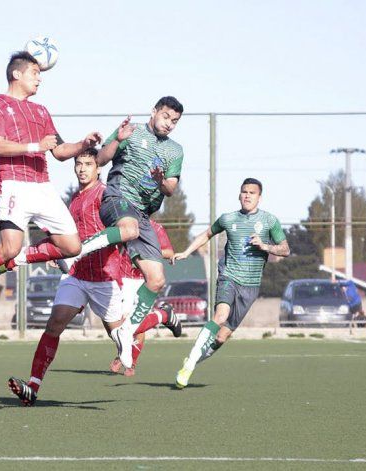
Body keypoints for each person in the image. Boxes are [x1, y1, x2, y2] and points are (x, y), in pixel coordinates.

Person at [8, 149, 180, 406]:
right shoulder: (74, 201)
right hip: (76, 276)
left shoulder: (107, 197)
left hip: (105, 278)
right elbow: (64, 237)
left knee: (121, 333)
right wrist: (49, 251)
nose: (82, 168)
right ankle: (33, 386)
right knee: (54, 324)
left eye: (88, 164)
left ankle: (163, 315)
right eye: (78, 163)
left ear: (98, 168)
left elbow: (123, 230)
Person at [0, 51, 101, 323]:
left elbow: (60, 151)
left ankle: (11, 262)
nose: (40, 79)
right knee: (8, 247)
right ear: (17, 74)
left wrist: (83, 144)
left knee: (73, 246)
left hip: (42, 185)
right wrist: (34, 147)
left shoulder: (41, 111)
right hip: (13, 182)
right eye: (35, 73)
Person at [53, 97, 185, 369]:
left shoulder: (175, 151)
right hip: (117, 197)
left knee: (157, 280)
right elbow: (100, 159)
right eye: (166, 116)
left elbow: (170, 188)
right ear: (154, 112)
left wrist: (161, 182)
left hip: (144, 214)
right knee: (129, 228)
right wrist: (117, 139)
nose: (169, 123)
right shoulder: (131, 131)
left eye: (174, 121)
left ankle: (128, 331)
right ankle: (81, 250)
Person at [172, 178, 290, 389]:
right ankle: (189, 362)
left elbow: (285, 249)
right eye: (244, 192)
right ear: (239, 195)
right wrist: (187, 252)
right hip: (229, 277)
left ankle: (193, 361)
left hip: (251, 285)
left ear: (259, 197)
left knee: (223, 335)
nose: (247, 195)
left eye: (252, 192)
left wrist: (264, 246)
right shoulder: (228, 219)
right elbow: (206, 235)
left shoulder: (270, 221)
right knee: (220, 316)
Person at [109, 219, 175, 376]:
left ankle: (131, 363)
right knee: (120, 323)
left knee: (136, 320)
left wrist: (146, 252)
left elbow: (169, 252)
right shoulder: (123, 223)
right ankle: (123, 352)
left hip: (144, 280)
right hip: (122, 279)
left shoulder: (156, 228)